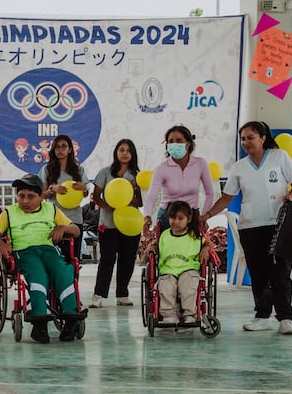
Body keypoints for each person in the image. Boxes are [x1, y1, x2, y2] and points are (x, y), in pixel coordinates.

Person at [202, 121, 292, 335]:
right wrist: (207, 215)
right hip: (250, 226)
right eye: (243, 138)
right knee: (258, 274)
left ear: (263, 138)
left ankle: (285, 319)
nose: (246, 142)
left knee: (280, 273)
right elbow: (227, 197)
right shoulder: (239, 167)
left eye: (250, 137)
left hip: (278, 224)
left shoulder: (279, 157)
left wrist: (290, 196)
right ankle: (262, 316)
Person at [0, 174, 82, 343]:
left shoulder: (51, 209)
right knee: (38, 275)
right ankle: (39, 324)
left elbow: (76, 231)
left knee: (64, 271)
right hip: (25, 252)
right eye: (21, 196)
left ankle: (71, 319)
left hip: (49, 250)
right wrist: (0, 244)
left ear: (41, 197)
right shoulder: (10, 213)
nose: (25, 201)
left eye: (31, 196)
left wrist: (62, 227)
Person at [89, 138, 143, 308]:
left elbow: (140, 201)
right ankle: (98, 295)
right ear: (116, 152)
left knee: (127, 260)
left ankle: (122, 294)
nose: (124, 153)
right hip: (109, 225)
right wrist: (108, 206)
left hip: (129, 223)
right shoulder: (105, 172)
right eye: (121, 149)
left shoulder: (137, 175)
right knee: (107, 260)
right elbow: (96, 196)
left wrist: (128, 196)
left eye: (128, 150)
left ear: (133, 153)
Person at [144, 201, 212, 324]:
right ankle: (169, 315)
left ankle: (190, 314)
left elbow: (207, 243)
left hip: (189, 269)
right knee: (166, 287)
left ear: (189, 219)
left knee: (188, 287)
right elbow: (156, 247)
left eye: (180, 218)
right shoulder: (164, 235)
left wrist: (206, 249)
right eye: (172, 218)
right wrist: (152, 248)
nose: (175, 221)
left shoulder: (194, 235)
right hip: (168, 270)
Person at [142, 125, 215, 233]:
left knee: (193, 249)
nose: (174, 144)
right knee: (167, 249)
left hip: (191, 217)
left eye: (179, 140)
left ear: (188, 143)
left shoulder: (200, 164)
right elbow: (151, 196)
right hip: (168, 217)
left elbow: (210, 193)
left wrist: (204, 216)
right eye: (170, 141)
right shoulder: (162, 168)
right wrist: (147, 216)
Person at [38, 134, 88, 260]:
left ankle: (73, 279)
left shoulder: (79, 170)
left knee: (73, 258)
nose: (60, 150)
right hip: (53, 219)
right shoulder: (47, 170)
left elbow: (86, 193)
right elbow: (41, 196)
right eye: (57, 147)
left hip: (74, 219)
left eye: (64, 146)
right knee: (53, 258)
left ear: (70, 149)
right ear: (53, 150)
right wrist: (52, 189)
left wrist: (84, 188)